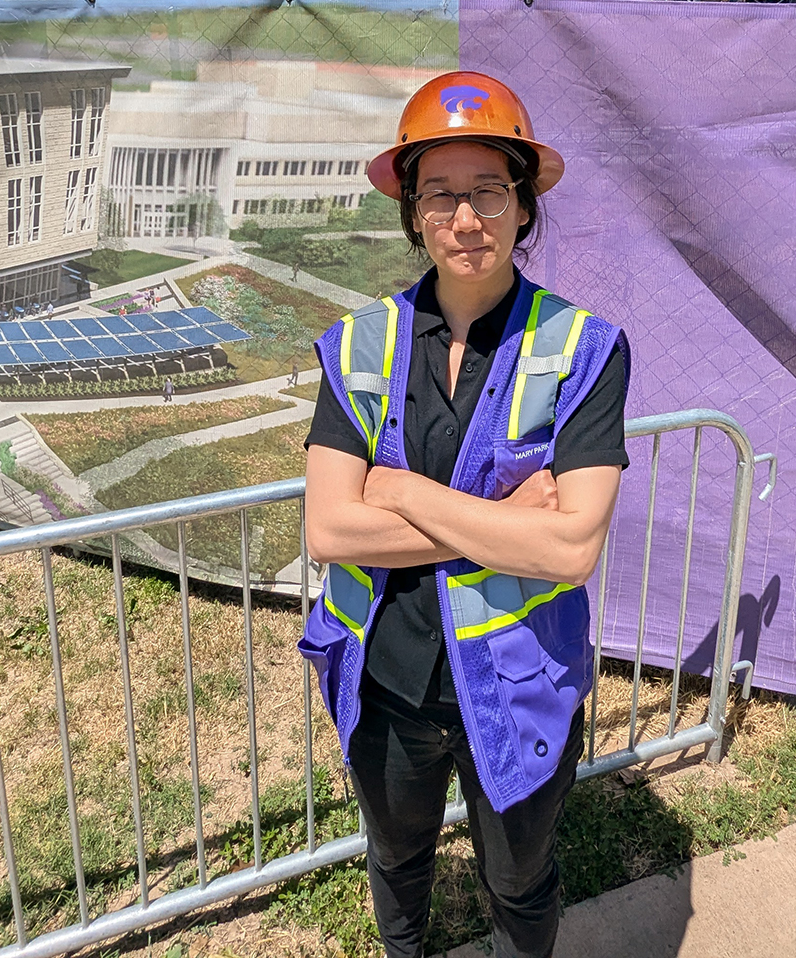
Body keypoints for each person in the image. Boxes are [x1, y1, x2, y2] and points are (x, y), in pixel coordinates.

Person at [300, 70, 629, 958]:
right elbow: (330, 530)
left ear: (524, 205)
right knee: (397, 858)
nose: (466, 218)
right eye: (440, 194)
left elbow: (569, 547)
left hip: (519, 680)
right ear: (413, 212)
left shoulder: (583, 349)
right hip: (388, 677)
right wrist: (498, 516)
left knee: (519, 879)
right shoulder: (359, 344)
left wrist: (399, 491)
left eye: (489, 190)